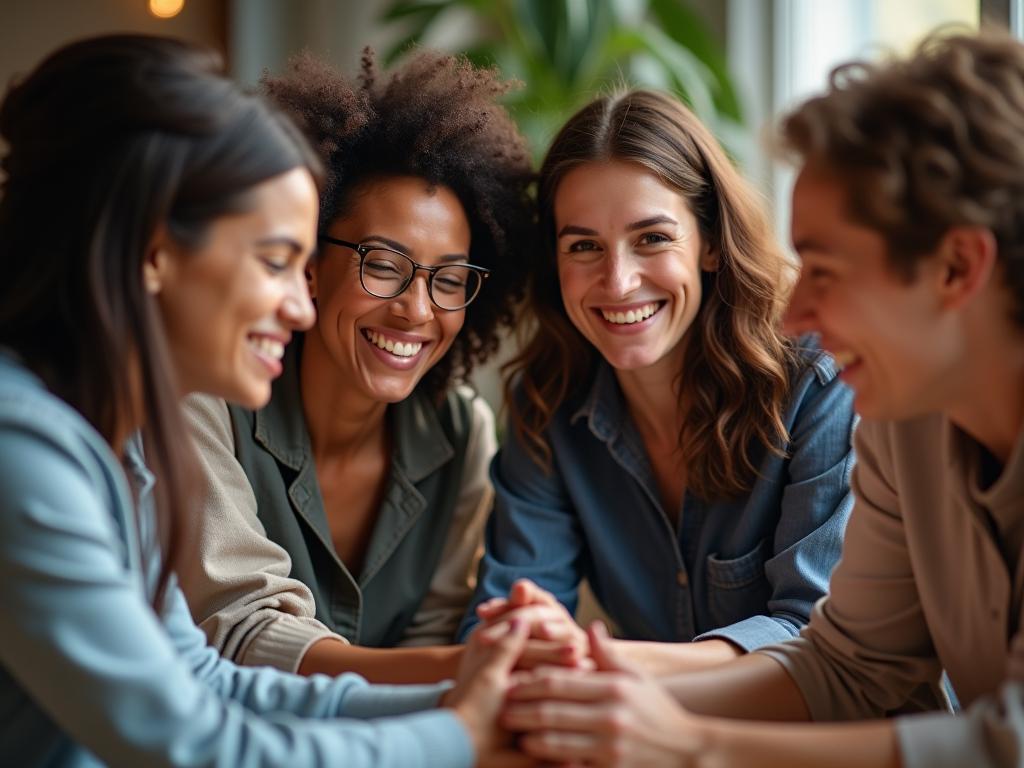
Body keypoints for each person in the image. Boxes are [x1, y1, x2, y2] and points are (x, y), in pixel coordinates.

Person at [0, 33, 528, 767]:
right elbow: (192, 740)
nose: (300, 305)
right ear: (154, 253)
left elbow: (206, 680)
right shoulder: (22, 450)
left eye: (446, 278)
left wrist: (472, 695)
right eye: (278, 262)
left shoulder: (108, 447)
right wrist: (460, 733)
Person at [499, 30, 1024, 768]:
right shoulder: (903, 426)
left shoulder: (832, 385)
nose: (795, 310)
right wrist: (602, 688)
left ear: (958, 267)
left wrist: (680, 739)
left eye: (825, 269)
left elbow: (1008, 743)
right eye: (582, 245)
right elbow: (847, 661)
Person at [458, 87, 857, 675]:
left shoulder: (815, 382)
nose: (617, 282)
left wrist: (604, 662)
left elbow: (813, 634)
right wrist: (520, 637)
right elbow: (506, 618)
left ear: (713, 243)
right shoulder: (546, 405)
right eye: (584, 246)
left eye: (652, 238)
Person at [175, 50, 534, 685]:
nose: (416, 310)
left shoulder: (461, 435)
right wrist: (479, 670)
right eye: (384, 264)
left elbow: (433, 631)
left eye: (449, 279)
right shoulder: (209, 398)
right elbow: (238, 628)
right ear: (307, 262)